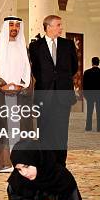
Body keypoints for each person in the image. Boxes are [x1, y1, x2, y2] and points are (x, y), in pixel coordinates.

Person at [0, 16, 33, 172]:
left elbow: (28, 72)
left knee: (17, 128)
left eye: (17, 25)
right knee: (1, 129)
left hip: (19, 94)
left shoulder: (23, 48)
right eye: (11, 25)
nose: (14, 28)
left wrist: (21, 85)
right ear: (5, 26)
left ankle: (17, 162)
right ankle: (1, 163)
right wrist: (2, 85)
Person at [28, 15, 78, 166]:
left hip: (63, 96)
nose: (61, 28)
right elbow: (34, 69)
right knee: (44, 131)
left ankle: (60, 164)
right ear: (48, 27)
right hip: (44, 95)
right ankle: (45, 163)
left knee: (61, 132)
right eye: (58, 25)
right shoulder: (35, 46)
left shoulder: (68, 45)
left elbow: (74, 67)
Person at [82, 57, 100, 132]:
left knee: (89, 112)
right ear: (98, 63)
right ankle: (99, 128)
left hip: (90, 95)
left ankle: (88, 127)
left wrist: (85, 95)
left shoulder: (87, 72)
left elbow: (85, 85)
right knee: (99, 112)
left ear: (92, 62)